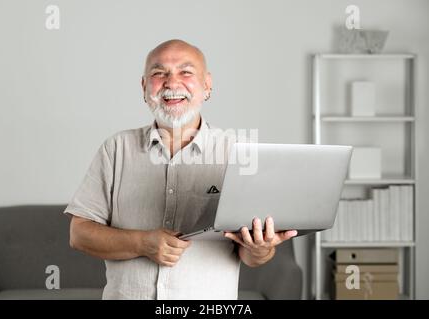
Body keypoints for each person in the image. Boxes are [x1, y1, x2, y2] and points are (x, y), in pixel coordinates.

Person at [65, 39, 297, 300]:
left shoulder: (240, 154)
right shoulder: (116, 149)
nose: (172, 83)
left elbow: (251, 255)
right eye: (158, 73)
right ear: (144, 87)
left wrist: (261, 248)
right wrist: (142, 243)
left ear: (207, 85)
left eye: (185, 72)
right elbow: (79, 234)